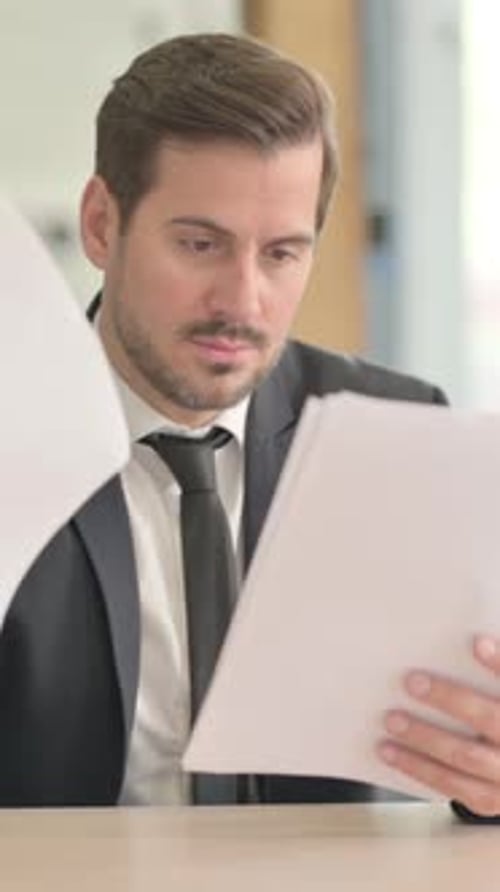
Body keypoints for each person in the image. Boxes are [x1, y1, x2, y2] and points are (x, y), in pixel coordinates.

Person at [3, 32, 500, 820]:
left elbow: (464, 743)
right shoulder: (16, 425)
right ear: (102, 224)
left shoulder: (400, 435)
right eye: (200, 245)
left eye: (281, 254)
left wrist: (488, 777)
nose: (242, 301)